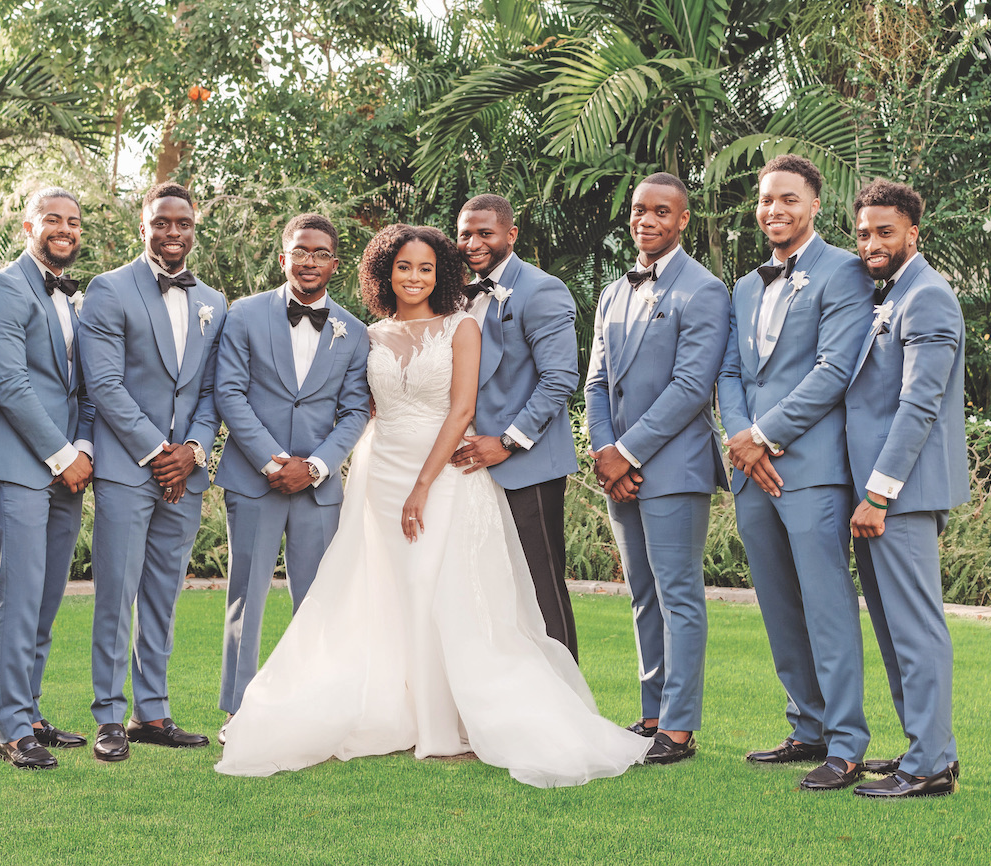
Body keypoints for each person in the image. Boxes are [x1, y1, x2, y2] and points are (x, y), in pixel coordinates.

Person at [215, 224, 651, 788]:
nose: (414, 277)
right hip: (378, 469)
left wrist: (422, 484)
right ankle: (394, 708)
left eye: (425, 268)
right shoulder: (366, 334)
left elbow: (461, 410)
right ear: (383, 272)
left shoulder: (461, 328)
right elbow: (358, 404)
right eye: (403, 267)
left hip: (443, 473)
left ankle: (450, 715)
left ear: (440, 274)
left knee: (438, 585)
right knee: (384, 587)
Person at [715, 154, 874, 791]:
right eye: (764, 200)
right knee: (779, 603)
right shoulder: (745, 285)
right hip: (752, 470)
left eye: (787, 199)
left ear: (814, 204)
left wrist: (764, 434)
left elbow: (834, 372)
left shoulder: (845, 273)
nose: (773, 210)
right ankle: (806, 725)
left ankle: (847, 743)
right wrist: (739, 437)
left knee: (827, 605)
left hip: (810, 468)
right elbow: (730, 371)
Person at [585, 173, 730, 765]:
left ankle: (680, 725)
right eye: (640, 210)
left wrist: (629, 452)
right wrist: (604, 453)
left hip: (673, 468)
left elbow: (693, 387)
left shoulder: (705, 290)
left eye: (661, 211)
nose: (646, 220)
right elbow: (595, 381)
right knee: (642, 595)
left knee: (678, 596)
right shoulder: (613, 292)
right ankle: (650, 713)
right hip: (618, 468)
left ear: (683, 220)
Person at [77, 181, 225, 761]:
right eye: (162, 222)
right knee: (116, 594)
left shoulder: (214, 300)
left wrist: (192, 449)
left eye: (183, 224)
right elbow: (104, 385)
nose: (173, 232)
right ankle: (109, 718)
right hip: (126, 469)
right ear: (144, 226)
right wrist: (156, 451)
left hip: (184, 474)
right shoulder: (108, 290)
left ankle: (153, 713)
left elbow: (214, 389)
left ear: (193, 230)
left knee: (163, 594)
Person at [214, 214, 370, 744]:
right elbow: (229, 392)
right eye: (300, 251)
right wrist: (273, 461)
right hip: (254, 478)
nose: (309, 261)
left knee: (318, 600)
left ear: (334, 263)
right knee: (247, 596)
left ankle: (315, 708)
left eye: (320, 253)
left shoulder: (355, 332)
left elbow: (354, 411)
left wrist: (318, 465)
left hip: (319, 487)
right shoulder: (245, 314)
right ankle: (238, 711)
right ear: (283, 257)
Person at [0, 187, 95, 769]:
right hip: (17, 465)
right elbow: (9, 386)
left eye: (73, 221)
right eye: (53, 220)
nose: (64, 229)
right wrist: (63, 454)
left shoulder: (75, 298)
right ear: (28, 226)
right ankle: (12, 728)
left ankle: (33, 712)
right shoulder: (1, 288)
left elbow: (83, 387)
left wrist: (82, 448)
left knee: (45, 597)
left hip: (67, 468)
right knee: (19, 595)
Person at [847, 180, 968, 798]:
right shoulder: (889, 295)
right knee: (894, 630)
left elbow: (919, 403)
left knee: (916, 629)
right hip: (880, 496)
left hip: (902, 496)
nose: (871, 243)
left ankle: (932, 765)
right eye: (864, 232)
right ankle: (922, 748)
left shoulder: (929, 298)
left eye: (883, 232)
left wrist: (878, 494)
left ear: (912, 233)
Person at [450, 195, 582, 661]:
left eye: (485, 233)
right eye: (465, 233)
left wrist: (507, 441)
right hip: (467, 469)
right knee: (487, 590)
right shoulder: (456, 293)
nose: (473, 242)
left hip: (527, 464)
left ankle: (568, 707)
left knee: (542, 588)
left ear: (511, 235)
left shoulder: (541, 289)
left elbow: (560, 378)